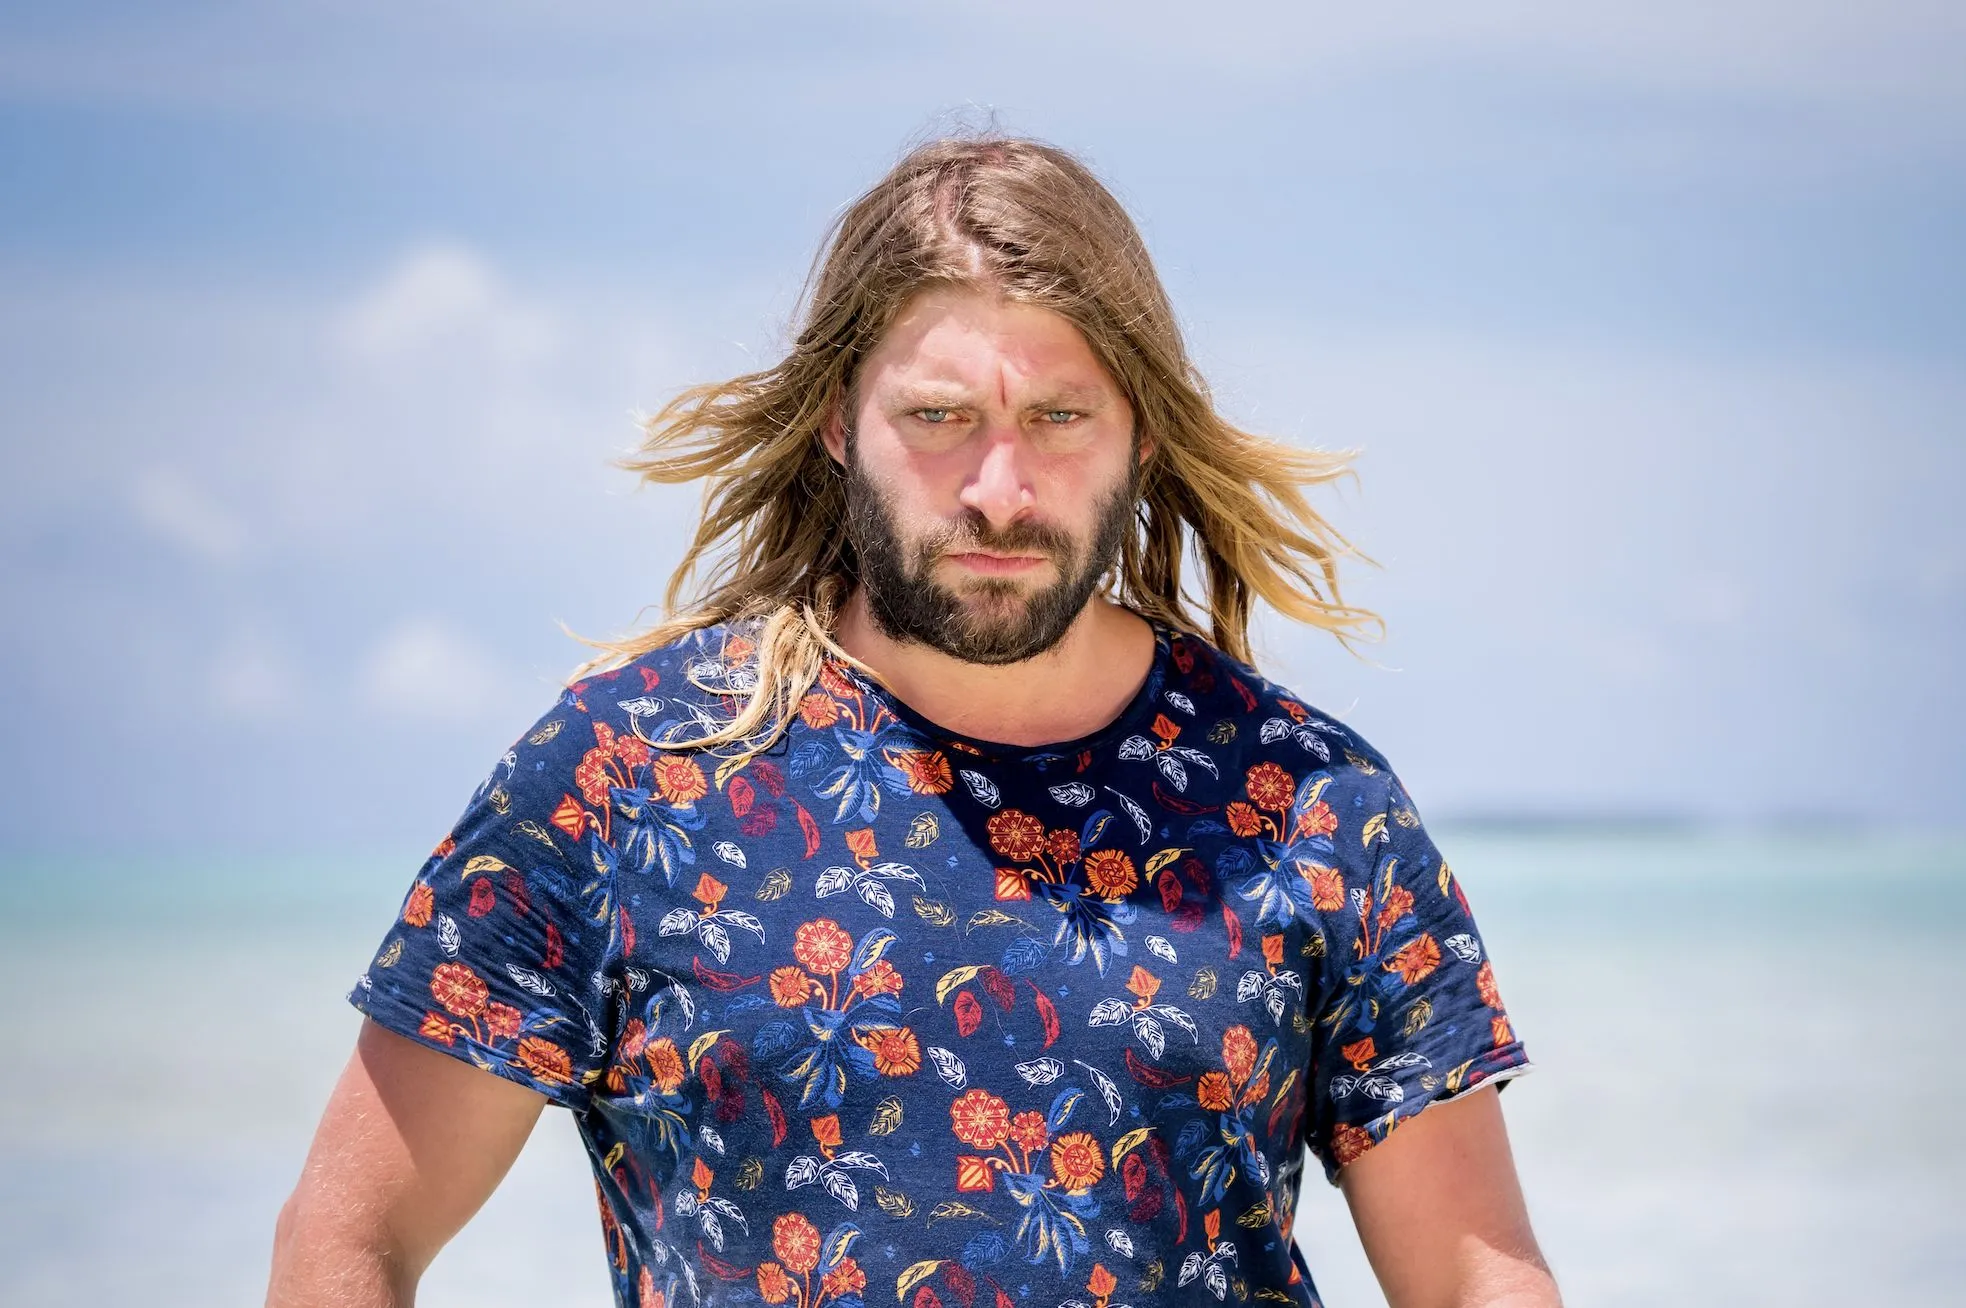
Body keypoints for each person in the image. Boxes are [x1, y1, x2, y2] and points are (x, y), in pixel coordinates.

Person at [268, 135, 1558, 1308]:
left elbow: (1475, 1281)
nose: (1001, 488)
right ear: (840, 421)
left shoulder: (1304, 804)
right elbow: (350, 1240)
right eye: (939, 417)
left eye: (1058, 417)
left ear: (1143, 435)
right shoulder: (628, 776)